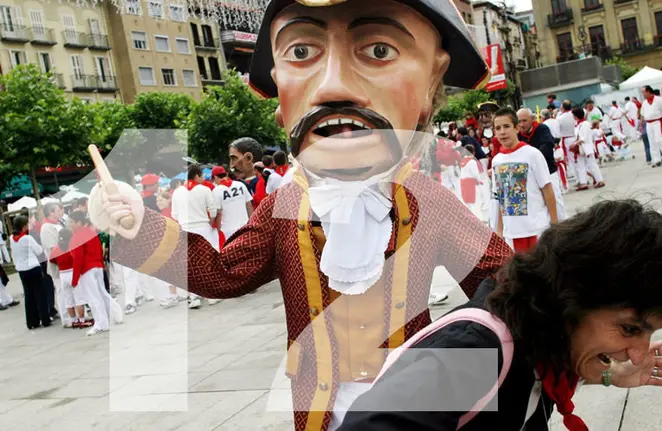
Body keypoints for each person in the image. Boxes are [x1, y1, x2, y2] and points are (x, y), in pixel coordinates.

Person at [90, 1, 512, 429]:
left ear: (429, 86)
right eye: (301, 53)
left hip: (410, 404)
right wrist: (140, 226)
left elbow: (504, 280)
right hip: (320, 408)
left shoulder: (425, 201)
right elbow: (221, 273)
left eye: (379, 51)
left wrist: (465, 364)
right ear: (281, 101)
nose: (331, 89)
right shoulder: (285, 206)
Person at [341, 199, 662, 430]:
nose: (639, 352)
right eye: (630, 328)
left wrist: (610, 376)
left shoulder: (540, 338)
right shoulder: (476, 350)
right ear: (573, 296)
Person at [491, 107, 558, 252]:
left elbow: (547, 190)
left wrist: (555, 225)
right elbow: (500, 198)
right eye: (498, 128)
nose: (502, 132)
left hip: (537, 229)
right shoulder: (496, 161)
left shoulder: (532, 154)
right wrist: (499, 230)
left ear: (516, 128)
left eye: (507, 126)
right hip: (512, 233)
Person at [69, 211, 122, 336]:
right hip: (97, 266)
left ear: (79, 222)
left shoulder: (78, 236)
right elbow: (99, 249)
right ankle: (116, 315)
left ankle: (101, 324)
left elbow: (78, 258)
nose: (70, 225)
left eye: (71, 222)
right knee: (102, 293)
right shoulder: (91, 233)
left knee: (93, 297)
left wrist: (75, 279)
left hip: (87, 269)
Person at [517, 108, 568, 222]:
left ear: (532, 119)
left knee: (556, 204)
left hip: (548, 172)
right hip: (531, 177)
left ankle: (563, 227)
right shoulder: (519, 135)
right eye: (519, 121)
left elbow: (546, 147)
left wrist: (529, 159)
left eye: (524, 121)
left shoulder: (542, 129)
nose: (521, 124)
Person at [182, 164, 220, 309]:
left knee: (191, 263)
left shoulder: (178, 192)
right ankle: (210, 295)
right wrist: (210, 221)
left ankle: (194, 297)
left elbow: (174, 215)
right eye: (201, 176)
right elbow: (213, 210)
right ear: (197, 176)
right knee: (207, 260)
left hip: (185, 229)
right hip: (203, 227)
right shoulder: (204, 189)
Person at [10, 215, 51, 329]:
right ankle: (45, 319)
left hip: (22, 269)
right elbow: (38, 251)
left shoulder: (11, 238)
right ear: (24, 227)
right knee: (40, 294)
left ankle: (32, 321)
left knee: (29, 296)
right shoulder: (27, 238)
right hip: (33, 267)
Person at [49, 228, 91, 328]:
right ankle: (82, 320)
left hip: (63, 274)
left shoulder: (56, 248)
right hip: (72, 272)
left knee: (68, 299)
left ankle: (73, 320)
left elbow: (51, 259)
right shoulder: (72, 246)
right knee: (79, 298)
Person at [40, 202, 68, 327]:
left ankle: (72, 313)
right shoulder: (46, 228)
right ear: (51, 213)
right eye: (57, 210)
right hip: (58, 265)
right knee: (61, 290)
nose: (59, 212)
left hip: (66, 262)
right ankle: (66, 317)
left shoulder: (58, 224)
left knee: (67, 290)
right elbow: (52, 249)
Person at [212, 165, 253, 241]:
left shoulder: (216, 191)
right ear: (226, 174)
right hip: (244, 227)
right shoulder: (240, 185)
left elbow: (218, 213)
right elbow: (249, 204)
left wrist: (218, 231)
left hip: (228, 231)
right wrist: (251, 222)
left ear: (215, 177)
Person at [572, 108, 605, 190]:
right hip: (580, 148)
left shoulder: (585, 124)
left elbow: (585, 137)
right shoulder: (577, 124)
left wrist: (576, 143)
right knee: (581, 166)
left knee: (592, 164)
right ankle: (583, 183)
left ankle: (600, 180)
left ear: (576, 115)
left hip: (586, 147)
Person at [641, 85, 662, 168]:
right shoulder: (644, 103)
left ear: (648, 92)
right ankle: (657, 159)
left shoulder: (659, 100)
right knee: (652, 142)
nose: (643, 94)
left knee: (659, 139)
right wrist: (641, 125)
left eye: (644, 92)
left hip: (657, 122)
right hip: (648, 123)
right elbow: (642, 114)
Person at [458, 145, 486, 222]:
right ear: (473, 152)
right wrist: (480, 181)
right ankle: (479, 220)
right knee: (476, 202)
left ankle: (469, 220)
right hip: (471, 183)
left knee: (467, 203)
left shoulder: (462, 160)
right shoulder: (472, 161)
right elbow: (475, 174)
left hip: (463, 183)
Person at [557, 101, 577, 180]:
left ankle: (577, 176)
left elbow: (557, 129)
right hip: (575, 137)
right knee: (576, 158)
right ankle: (578, 176)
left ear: (563, 108)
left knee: (572, 159)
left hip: (567, 138)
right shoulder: (574, 114)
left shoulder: (560, 118)